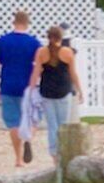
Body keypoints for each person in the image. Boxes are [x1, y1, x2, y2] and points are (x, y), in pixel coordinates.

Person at [0, 10, 42, 166]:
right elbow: (39, 66)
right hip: (27, 85)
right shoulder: (34, 43)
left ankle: (18, 158)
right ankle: (28, 138)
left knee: (13, 122)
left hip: (8, 84)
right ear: (27, 23)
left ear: (14, 22)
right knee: (32, 119)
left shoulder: (3, 41)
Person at [35, 25, 83, 162]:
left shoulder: (42, 52)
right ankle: (63, 152)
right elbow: (72, 73)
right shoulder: (68, 52)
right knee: (64, 124)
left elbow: (37, 72)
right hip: (63, 90)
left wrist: (31, 87)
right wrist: (80, 90)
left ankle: (54, 153)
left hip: (47, 91)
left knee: (52, 125)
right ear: (61, 38)